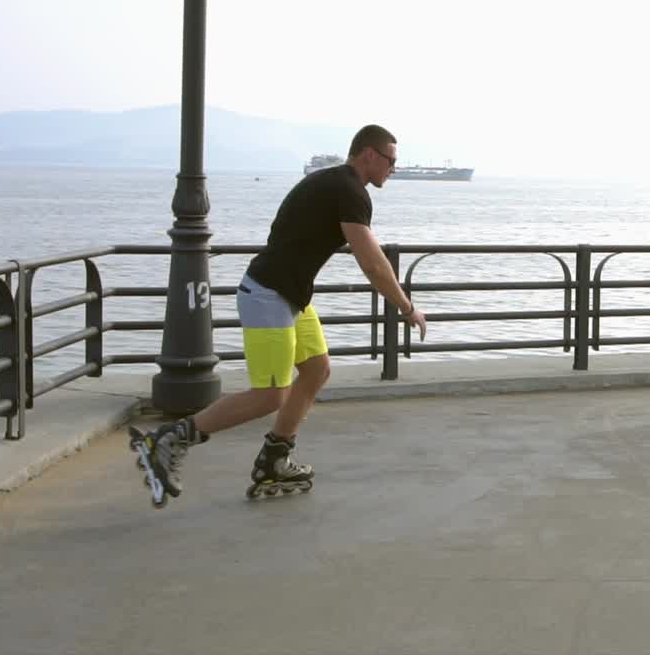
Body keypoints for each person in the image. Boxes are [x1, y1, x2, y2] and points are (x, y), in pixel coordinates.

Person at [129, 124, 427, 506]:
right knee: (269, 395)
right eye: (391, 160)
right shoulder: (350, 190)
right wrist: (407, 307)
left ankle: (274, 459)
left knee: (316, 369)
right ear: (369, 154)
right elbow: (373, 263)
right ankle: (168, 440)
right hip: (268, 295)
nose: (394, 169)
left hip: (290, 295)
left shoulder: (335, 183)